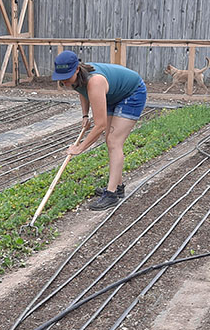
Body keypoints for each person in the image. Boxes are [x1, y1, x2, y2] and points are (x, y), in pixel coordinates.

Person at [51, 50, 147, 210]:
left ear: (76, 69)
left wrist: (80, 148)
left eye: (67, 77)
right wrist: (84, 115)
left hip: (132, 94)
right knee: (110, 140)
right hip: (112, 94)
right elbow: (82, 92)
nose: (65, 82)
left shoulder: (95, 82)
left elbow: (100, 125)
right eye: (61, 78)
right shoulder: (75, 78)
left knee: (113, 141)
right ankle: (118, 186)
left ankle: (111, 195)